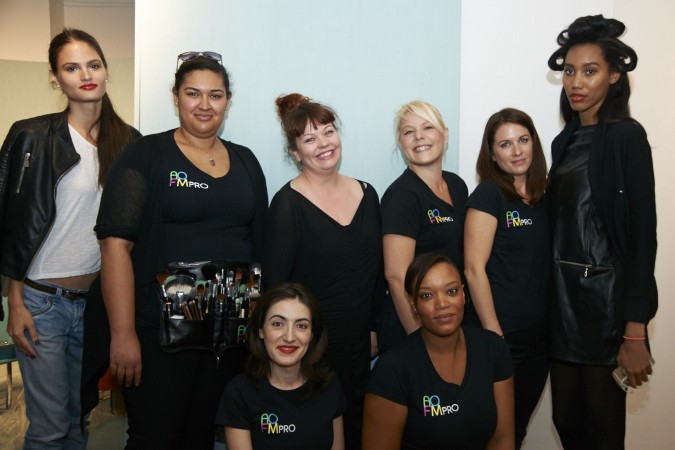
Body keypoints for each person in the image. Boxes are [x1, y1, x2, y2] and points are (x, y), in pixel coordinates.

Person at [88, 52, 268, 449]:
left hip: (228, 336)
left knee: (201, 436)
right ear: (175, 97)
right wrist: (123, 334)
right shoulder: (145, 155)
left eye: (215, 95)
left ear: (227, 101)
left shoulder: (246, 161)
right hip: (158, 334)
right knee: (155, 437)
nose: (205, 104)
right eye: (193, 93)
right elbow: (115, 246)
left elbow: (260, 247)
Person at [0, 29, 138, 449]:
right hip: (42, 303)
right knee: (50, 429)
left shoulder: (129, 143)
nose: (86, 75)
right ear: (55, 77)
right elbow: (11, 220)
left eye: (93, 65)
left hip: (95, 304)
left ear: (106, 70)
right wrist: (15, 302)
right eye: (72, 68)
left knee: (78, 420)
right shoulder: (31, 136)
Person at [547, 15, 657, 449]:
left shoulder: (627, 138)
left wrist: (635, 330)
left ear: (613, 75)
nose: (576, 82)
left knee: (602, 430)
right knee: (565, 421)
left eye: (590, 71)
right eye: (569, 71)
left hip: (605, 313)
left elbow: (642, 238)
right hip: (561, 308)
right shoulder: (563, 143)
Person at [263, 93, 383, 449]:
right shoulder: (287, 205)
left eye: (328, 132)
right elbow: (276, 289)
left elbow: (376, 273)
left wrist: (374, 327)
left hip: (360, 343)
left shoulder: (368, 194)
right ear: (295, 153)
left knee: (358, 430)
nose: (324, 144)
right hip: (312, 349)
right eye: (309, 139)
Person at [364, 253, 514, 450]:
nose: (442, 304)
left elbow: (502, 440)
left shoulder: (493, 349)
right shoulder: (393, 368)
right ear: (413, 304)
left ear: (463, 295)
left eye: (451, 291)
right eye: (427, 295)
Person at [463, 108, 549, 449]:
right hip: (500, 338)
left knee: (517, 431)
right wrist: (494, 334)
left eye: (523, 140)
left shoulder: (545, 196)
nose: (516, 151)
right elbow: (473, 268)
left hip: (540, 339)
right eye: (505, 144)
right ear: (492, 154)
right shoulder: (489, 195)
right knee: (493, 434)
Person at [379, 100, 468, 349]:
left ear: (445, 134)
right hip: (413, 326)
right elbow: (396, 276)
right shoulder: (402, 196)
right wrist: (421, 341)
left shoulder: (457, 186)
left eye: (428, 127)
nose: (419, 137)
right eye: (409, 131)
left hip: (447, 319)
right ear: (400, 142)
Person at [219, 282, 346, 450]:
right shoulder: (239, 393)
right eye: (278, 324)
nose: (289, 337)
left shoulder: (329, 386)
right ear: (261, 331)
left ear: (312, 335)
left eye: (301, 326)